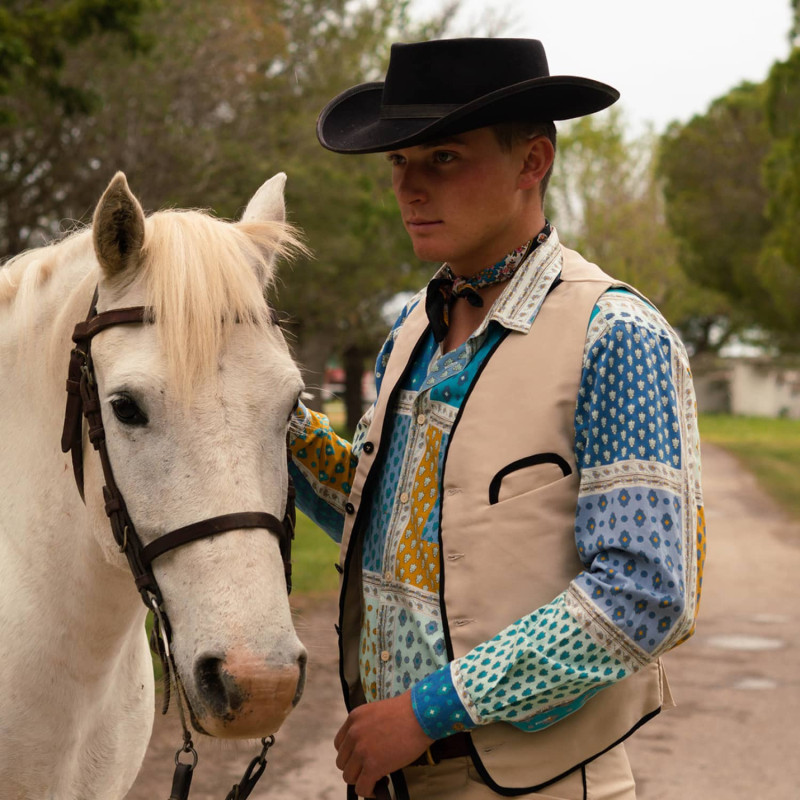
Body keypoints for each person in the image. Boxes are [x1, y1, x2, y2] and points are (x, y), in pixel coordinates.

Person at [288, 37, 706, 800]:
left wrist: (425, 710)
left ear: (532, 163)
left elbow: (648, 593)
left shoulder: (615, 334)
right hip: (391, 781)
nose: (409, 187)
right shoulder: (411, 329)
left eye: (443, 157)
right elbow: (383, 520)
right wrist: (273, 418)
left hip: (537, 783)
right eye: (398, 163)